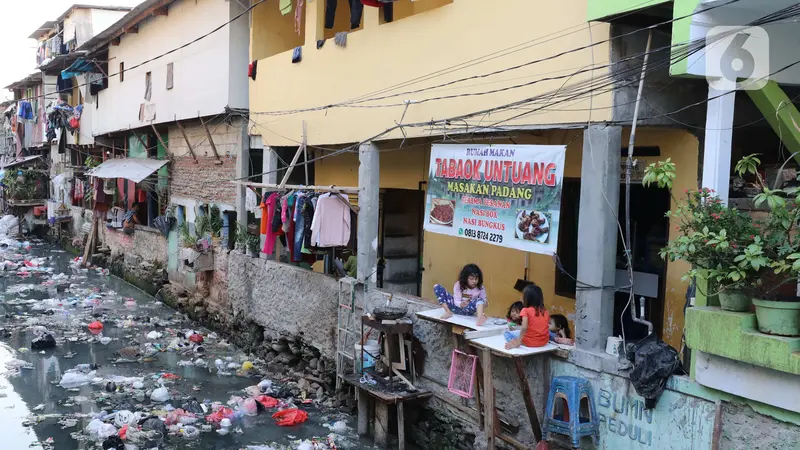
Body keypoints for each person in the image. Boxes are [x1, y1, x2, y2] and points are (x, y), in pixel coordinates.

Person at [504, 283, 550, 349]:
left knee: (507, 333)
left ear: (527, 299)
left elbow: (524, 328)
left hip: (529, 342)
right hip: (544, 342)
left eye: (522, 296)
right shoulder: (545, 311)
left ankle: (514, 342)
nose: (521, 298)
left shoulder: (525, 310)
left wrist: (518, 341)